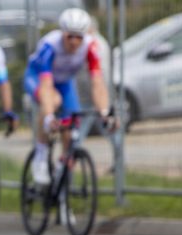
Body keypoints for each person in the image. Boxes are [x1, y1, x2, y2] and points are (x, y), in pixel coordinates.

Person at [24, 7, 116, 186]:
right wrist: (49, 117)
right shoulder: (49, 45)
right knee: (53, 101)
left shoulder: (90, 47)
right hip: (38, 78)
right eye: (70, 36)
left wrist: (104, 112)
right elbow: (46, 84)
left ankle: (62, 170)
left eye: (78, 37)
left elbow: (97, 83)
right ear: (62, 33)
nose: (74, 42)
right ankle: (40, 157)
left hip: (65, 82)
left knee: (72, 124)